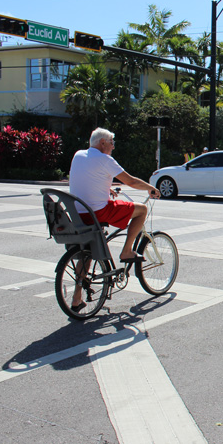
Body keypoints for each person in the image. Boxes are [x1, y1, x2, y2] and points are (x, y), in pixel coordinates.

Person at [69, 128, 160, 311]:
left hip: (79, 213)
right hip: (98, 212)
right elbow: (131, 182)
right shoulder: (105, 159)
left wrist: (106, 188)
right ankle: (127, 251)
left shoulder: (78, 155)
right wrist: (150, 187)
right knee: (141, 210)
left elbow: (88, 178)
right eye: (112, 143)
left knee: (87, 253)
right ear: (102, 143)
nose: (113, 147)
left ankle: (76, 299)